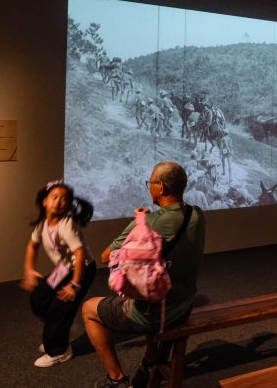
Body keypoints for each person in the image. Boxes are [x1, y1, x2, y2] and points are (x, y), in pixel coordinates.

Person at [82, 161, 206, 388]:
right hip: (183, 305)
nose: (149, 188)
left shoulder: (149, 222)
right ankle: (150, 360)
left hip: (156, 315)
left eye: (150, 183)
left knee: (88, 309)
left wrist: (138, 224)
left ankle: (116, 379)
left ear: (161, 187)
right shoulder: (197, 214)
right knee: (149, 287)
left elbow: (105, 256)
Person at [20, 180, 97, 368]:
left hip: (82, 270)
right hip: (64, 268)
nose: (59, 202)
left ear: (68, 205)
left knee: (60, 307)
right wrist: (29, 270)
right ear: (45, 201)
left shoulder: (66, 225)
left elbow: (80, 255)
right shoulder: (42, 224)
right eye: (54, 197)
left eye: (64, 199)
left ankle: (60, 351)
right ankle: (61, 330)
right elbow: (32, 246)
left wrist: (74, 286)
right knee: (39, 297)